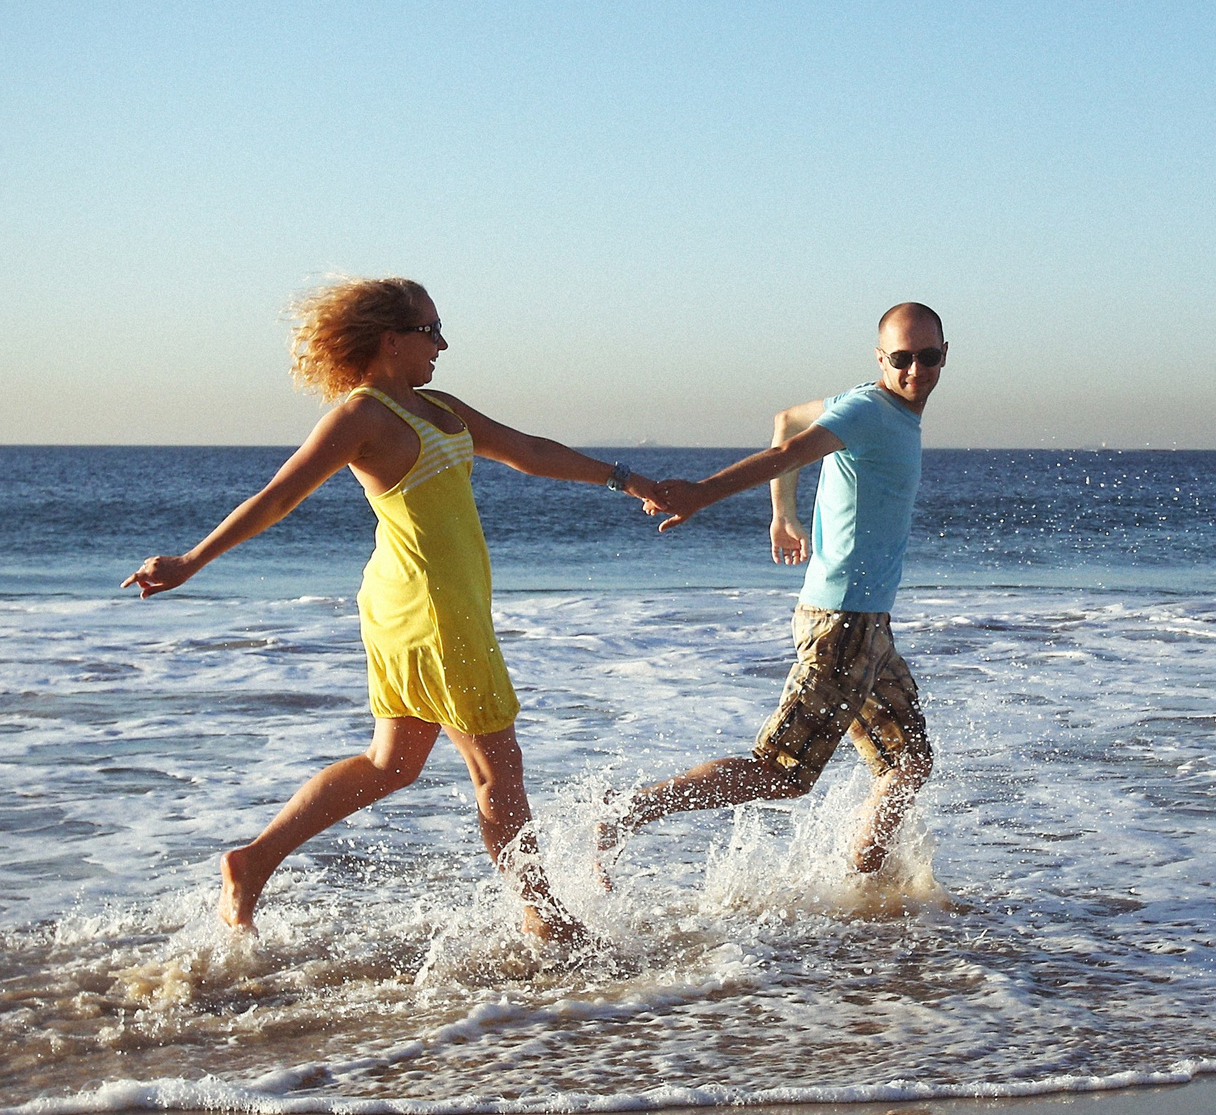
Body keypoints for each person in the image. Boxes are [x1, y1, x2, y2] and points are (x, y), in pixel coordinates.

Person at [124, 276, 659, 947]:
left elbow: (529, 451)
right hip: (427, 608)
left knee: (393, 763)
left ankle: (252, 860)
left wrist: (627, 478)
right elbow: (278, 497)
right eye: (431, 331)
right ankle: (544, 916)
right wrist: (191, 560)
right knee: (498, 765)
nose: (443, 343)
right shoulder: (362, 416)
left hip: (438, 602)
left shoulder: (438, 405)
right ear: (391, 340)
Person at [600, 303, 945, 878]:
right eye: (902, 359)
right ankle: (628, 811)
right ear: (881, 359)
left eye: (927, 357)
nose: (915, 371)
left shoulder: (864, 405)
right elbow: (785, 450)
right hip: (842, 623)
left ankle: (866, 888)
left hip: (867, 626)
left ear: (943, 355)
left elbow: (785, 418)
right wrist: (699, 495)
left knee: (908, 761)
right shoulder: (865, 407)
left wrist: (783, 515)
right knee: (783, 773)